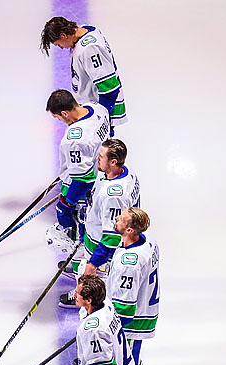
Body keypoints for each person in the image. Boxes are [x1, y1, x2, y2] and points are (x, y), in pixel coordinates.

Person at [59, 138, 140, 308]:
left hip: (100, 247)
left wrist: (93, 263)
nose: (97, 158)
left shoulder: (114, 195)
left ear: (113, 161)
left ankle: (87, 302)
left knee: (98, 284)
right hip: (93, 236)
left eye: (101, 156)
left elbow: (112, 238)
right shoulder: (125, 173)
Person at [106, 207, 159, 365]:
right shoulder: (148, 242)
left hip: (132, 319)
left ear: (129, 230)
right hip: (145, 313)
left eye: (121, 218)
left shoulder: (131, 261)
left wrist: (109, 330)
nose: (116, 218)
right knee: (134, 361)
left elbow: (125, 307)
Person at [44, 89, 111, 252]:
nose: (59, 121)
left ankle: (84, 261)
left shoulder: (75, 139)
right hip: (103, 175)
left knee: (80, 227)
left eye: (58, 117)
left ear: (65, 113)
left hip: (86, 189)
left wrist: (67, 203)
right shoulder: (97, 108)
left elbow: (83, 180)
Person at [40, 16, 128, 132]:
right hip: (90, 110)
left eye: (58, 44)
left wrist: (101, 119)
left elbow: (109, 89)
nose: (61, 48)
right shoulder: (85, 30)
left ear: (63, 35)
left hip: (98, 110)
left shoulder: (89, 49)